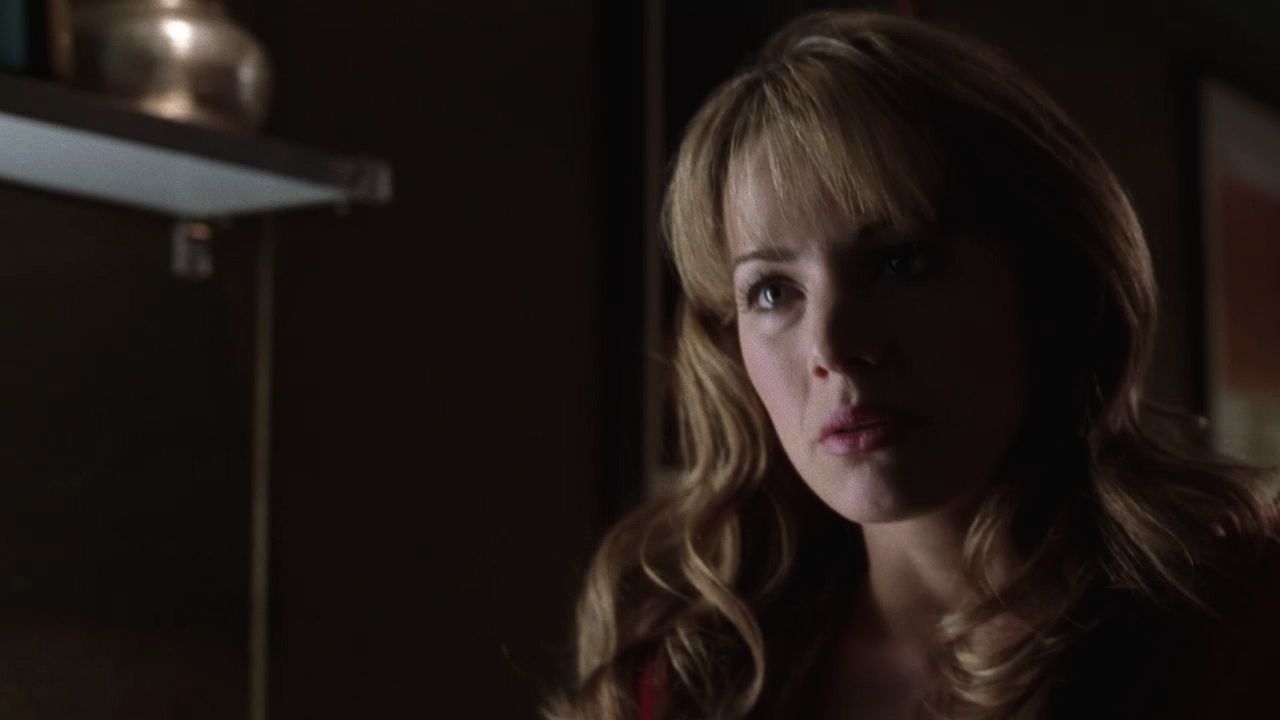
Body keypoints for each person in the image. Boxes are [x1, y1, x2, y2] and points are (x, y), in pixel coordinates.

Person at [546, 10, 1280, 719]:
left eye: (902, 262)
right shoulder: (683, 672)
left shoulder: (1240, 625)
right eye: (772, 291)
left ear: (1048, 279)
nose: (834, 347)